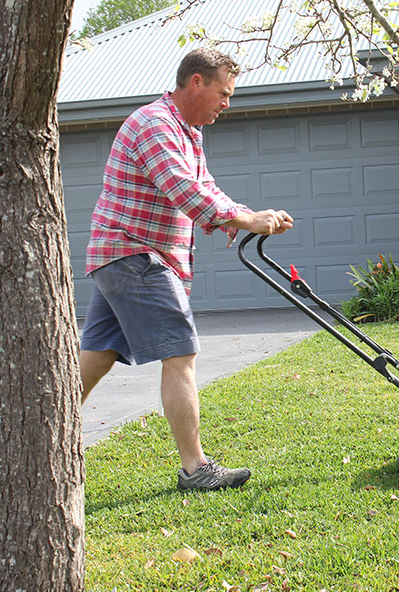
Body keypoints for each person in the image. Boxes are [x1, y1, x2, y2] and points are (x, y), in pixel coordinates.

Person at [79, 48, 294, 492]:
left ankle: (44, 435)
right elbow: (181, 188)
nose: (226, 104)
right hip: (136, 254)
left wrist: (242, 214)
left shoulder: (187, 132)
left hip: (122, 256)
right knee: (180, 354)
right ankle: (195, 469)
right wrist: (243, 220)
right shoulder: (155, 124)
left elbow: (204, 187)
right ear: (196, 82)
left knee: (97, 356)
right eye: (223, 93)